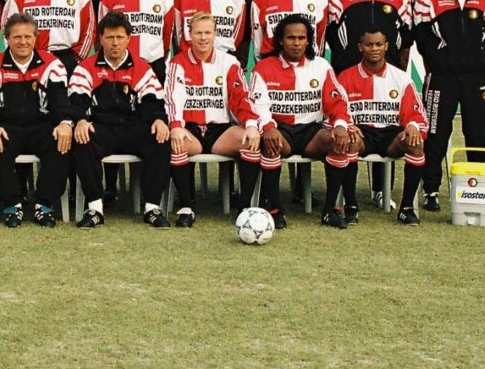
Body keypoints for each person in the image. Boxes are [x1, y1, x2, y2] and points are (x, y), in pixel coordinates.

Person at [412, 0, 485, 214]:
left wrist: (480, 57)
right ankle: (430, 191)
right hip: (441, 78)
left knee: (478, 134)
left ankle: (478, 190)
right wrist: (441, 58)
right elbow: (422, 35)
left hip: (477, 78)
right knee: (436, 136)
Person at [248, 15, 353, 230]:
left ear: (309, 41)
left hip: (312, 131)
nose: (296, 43)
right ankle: (275, 210)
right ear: (280, 40)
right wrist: (268, 127)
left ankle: (330, 209)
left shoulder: (321, 66)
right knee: (269, 143)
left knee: (340, 142)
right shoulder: (263, 67)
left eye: (301, 38)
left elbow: (338, 102)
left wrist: (341, 125)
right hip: (281, 130)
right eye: (291, 38)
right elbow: (258, 105)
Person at [69, 12, 172, 229]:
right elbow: (76, 101)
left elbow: (153, 101)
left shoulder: (142, 68)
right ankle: (95, 208)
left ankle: (152, 207)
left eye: (119, 37)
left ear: (128, 39)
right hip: (102, 128)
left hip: (132, 128)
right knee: (82, 136)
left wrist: (159, 120)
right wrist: (79, 120)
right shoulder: (86, 67)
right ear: (101, 39)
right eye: (109, 37)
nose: (114, 43)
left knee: (161, 136)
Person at [164, 12, 264, 227]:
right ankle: (187, 206)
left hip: (220, 130)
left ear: (215, 34)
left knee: (251, 141)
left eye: (208, 32)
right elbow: (174, 97)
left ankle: (244, 208)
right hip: (190, 129)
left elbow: (242, 98)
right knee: (176, 143)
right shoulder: (177, 62)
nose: (203, 38)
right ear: (189, 35)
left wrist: (251, 125)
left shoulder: (229, 62)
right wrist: (176, 126)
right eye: (198, 33)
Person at [0, 13, 74, 228]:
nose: (22, 42)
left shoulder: (51, 63)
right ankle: (13, 205)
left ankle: (44, 205)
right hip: (7, 126)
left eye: (28, 37)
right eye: (17, 37)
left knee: (62, 142)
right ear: (6, 38)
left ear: (36, 37)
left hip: (42, 125)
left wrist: (65, 122)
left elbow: (60, 100)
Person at [337, 27, 428, 225]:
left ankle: (406, 208)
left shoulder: (401, 77)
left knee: (415, 143)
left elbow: (415, 112)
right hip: (362, 132)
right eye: (369, 44)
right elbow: (336, 110)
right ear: (360, 47)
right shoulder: (345, 77)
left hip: (390, 133)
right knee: (350, 142)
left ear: (386, 46)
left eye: (379, 44)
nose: (374, 49)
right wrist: (348, 126)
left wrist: (412, 126)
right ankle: (351, 206)